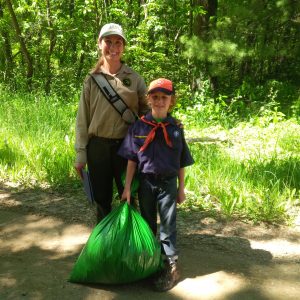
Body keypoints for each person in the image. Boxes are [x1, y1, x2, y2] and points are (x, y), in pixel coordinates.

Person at [118, 78, 194, 292]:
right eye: (155, 97)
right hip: (146, 183)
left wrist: (181, 188)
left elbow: (181, 161)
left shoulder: (176, 129)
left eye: (164, 97)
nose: (159, 101)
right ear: (148, 99)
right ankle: (150, 262)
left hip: (168, 184)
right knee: (148, 222)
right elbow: (132, 160)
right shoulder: (139, 127)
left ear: (171, 101)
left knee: (168, 226)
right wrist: (127, 188)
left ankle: (171, 266)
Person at [74, 23, 149, 222]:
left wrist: (169, 124)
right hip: (97, 147)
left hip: (127, 149)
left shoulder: (134, 79)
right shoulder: (92, 79)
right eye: (108, 41)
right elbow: (83, 119)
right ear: (99, 44)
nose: (113, 47)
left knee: (129, 198)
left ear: (123, 47)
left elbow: (149, 115)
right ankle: (103, 246)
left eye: (118, 42)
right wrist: (81, 154)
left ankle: (128, 244)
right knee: (101, 200)